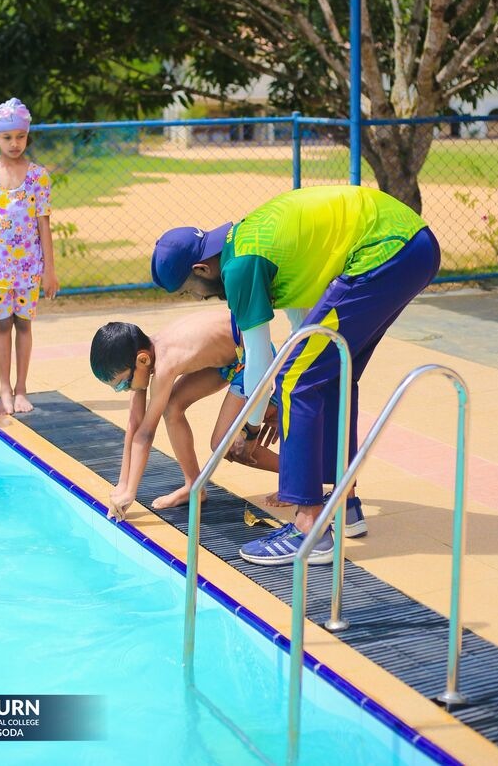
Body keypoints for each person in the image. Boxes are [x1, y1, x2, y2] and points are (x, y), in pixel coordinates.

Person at [151, 185, 440, 566]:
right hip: (412, 246)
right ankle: (344, 500)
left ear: (202, 269)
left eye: (192, 291)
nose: (201, 299)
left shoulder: (240, 266)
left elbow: (257, 358)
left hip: (384, 251)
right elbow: (303, 324)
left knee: (298, 378)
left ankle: (310, 528)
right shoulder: (253, 239)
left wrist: (249, 429)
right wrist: (268, 409)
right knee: (330, 372)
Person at [90, 310, 279, 522]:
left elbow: (145, 434)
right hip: (229, 357)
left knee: (223, 444)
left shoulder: (165, 364)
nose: (125, 390)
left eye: (123, 384)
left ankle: (297, 480)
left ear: (142, 360)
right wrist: (122, 484)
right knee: (172, 406)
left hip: (253, 358)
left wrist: (130, 492)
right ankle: (194, 486)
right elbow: (134, 424)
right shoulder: (140, 355)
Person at [0, 97, 59, 415]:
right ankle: (4, 390)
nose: (15, 143)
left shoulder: (38, 176)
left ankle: (21, 389)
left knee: (24, 325)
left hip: (29, 268)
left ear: (27, 135)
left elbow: (43, 224)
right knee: (2, 326)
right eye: (7, 137)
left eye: (20, 136)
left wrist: (50, 269)